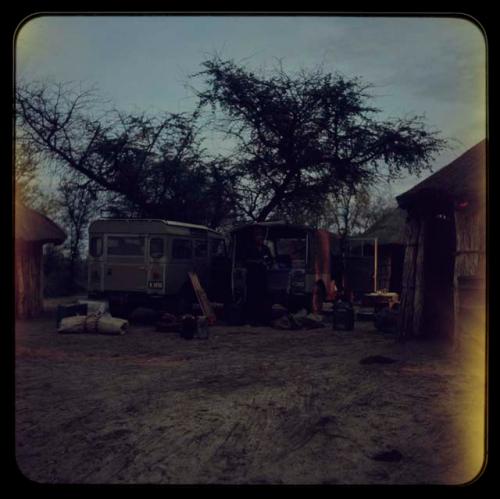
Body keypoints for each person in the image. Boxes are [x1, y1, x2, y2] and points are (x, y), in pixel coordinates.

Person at [244, 227, 273, 326]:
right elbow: (245, 261)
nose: (260, 238)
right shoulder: (249, 248)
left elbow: (271, 261)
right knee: (252, 299)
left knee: (263, 299)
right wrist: (257, 262)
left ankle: (263, 320)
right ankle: (252, 320)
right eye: (257, 236)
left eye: (261, 236)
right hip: (252, 278)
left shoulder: (266, 249)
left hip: (263, 278)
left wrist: (268, 263)